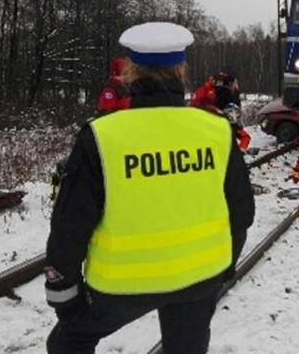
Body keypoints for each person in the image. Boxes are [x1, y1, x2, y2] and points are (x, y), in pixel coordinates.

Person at [44, 22, 255, 354]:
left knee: (69, 340)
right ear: (181, 70)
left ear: (130, 71)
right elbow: (241, 213)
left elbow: (70, 223)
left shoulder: (100, 137)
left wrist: (63, 293)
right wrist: (224, 269)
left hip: (120, 288)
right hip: (199, 278)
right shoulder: (217, 131)